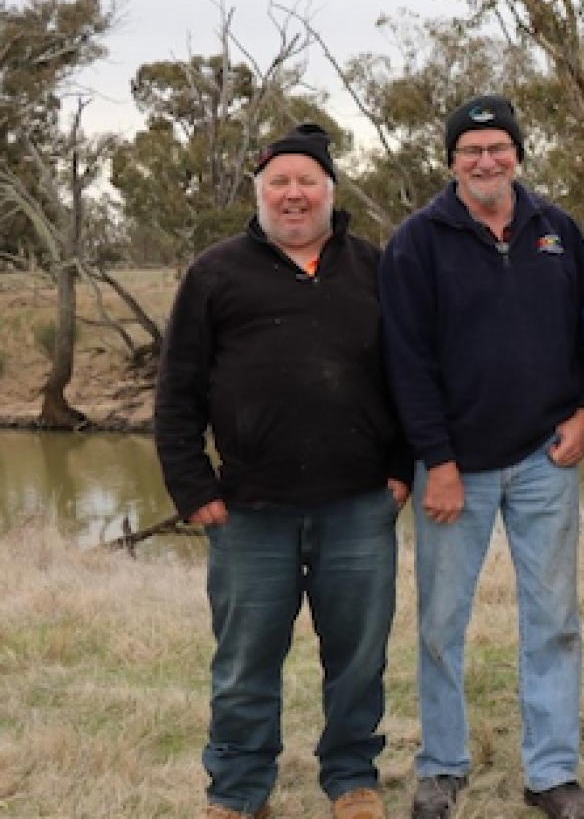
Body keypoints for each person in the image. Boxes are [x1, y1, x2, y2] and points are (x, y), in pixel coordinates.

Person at [155, 123, 408, 819]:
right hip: (248, 512)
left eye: (306, 182)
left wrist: (401, 465)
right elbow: (177, 392)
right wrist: (192, 489)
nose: (292, 195)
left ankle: (352, 779)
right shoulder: (215, 273)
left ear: (331, 190)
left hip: (358, 506)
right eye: (279, 184)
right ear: (260, 193)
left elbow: (411, 377)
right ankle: (238, 792)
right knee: (243, 666)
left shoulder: (375, 268)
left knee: (357, 660)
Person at [380, 96, 584, 819]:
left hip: (548, 458)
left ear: (517, 154)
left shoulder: (558, 230)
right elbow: (405, 362)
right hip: (455, 468)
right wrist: (436, 460)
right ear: (451, 160)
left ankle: (551, 772)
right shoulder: (418, 241)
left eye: (498, 147)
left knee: (555, 620)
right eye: (471, 149)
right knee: (442, 625)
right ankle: (442, 767)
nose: (486, 160)